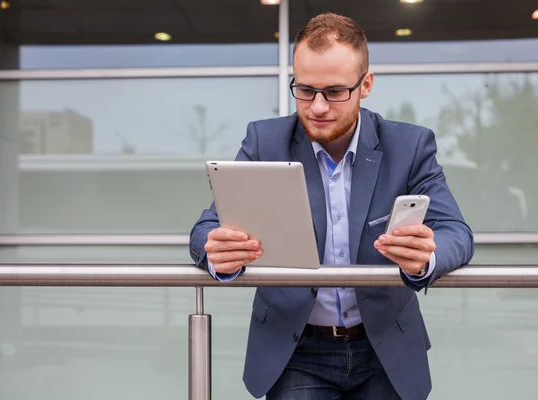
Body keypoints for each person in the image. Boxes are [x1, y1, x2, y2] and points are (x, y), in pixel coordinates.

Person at [189, 12, 474, 400]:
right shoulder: (264, 141)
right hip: (296, 350)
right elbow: (206, 229)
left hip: (385, 348)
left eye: (335, 91)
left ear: (366, 84)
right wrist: (218, 252)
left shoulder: (409, 146)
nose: (318, 107)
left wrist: (426, 255)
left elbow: (457, 233)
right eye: (305, 90)